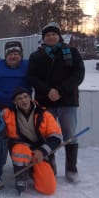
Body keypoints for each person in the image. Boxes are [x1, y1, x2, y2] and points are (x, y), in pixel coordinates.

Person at [27, 22, 85, 183]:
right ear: (43, 38)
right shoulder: (36, 56)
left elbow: (79, 74)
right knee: (47, 135)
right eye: (47, 35)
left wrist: (60, 90)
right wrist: (48, 91)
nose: (51, 37)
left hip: (68, 100)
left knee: (69, 135)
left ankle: (71, 168)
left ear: (59, 36)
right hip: (45, 102)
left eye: (54, 34)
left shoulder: (72, 52)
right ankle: (50, 164)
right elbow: (32, 77)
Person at [3, 87, 63, 195]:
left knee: (48, 188)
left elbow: (56, 137)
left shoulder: (44, 114)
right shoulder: (7, 113)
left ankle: (33, 170)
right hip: (21, 148)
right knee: (20, 149)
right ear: (14, 102)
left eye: (26, 97)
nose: (23, 100)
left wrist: (42, 151)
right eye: (19, 98)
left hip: (38, 151)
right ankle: (20, 176)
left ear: (30, 98)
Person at [0, 41, 31, 110]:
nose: (13, 57)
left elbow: (37, 82)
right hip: (0, 108)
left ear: (21, 55)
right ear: (6, 56)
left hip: (23, 107)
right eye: (10, 54)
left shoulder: (28, 65)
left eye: (16, 54)